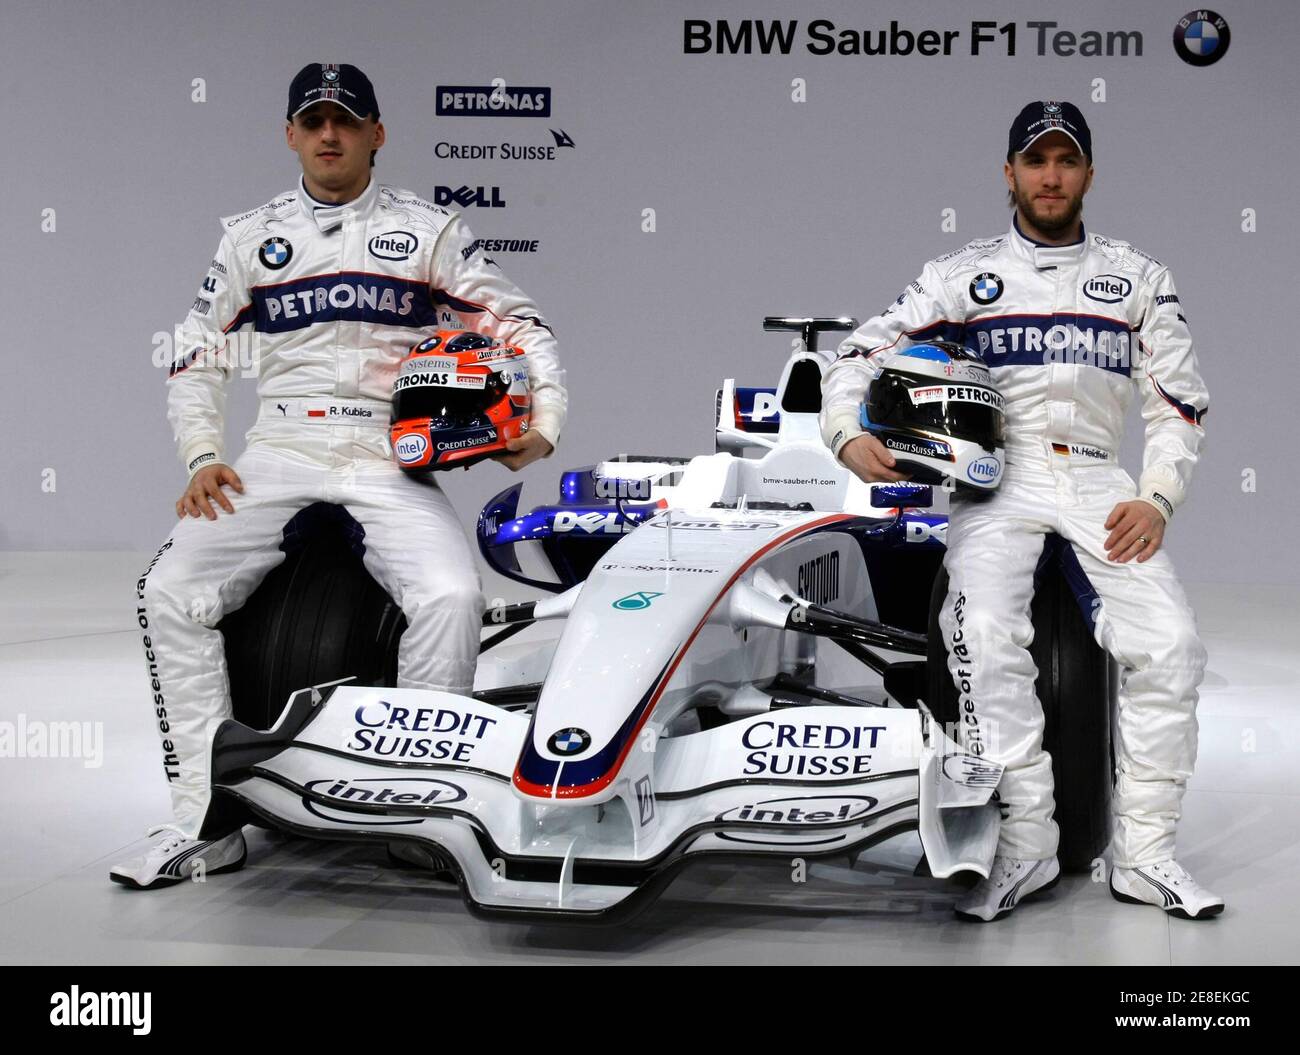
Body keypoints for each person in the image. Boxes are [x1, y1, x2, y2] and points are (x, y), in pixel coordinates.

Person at [113, 63, 567, 889]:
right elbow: (195, 352)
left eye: (347, 121)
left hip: (382, 452)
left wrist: (540, 424)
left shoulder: (430, 230)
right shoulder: (248, 237)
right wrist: (202, 455)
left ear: (376, 134)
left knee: (451, 597)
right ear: (290, 133)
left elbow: (519, 321)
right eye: (314, 120)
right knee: (167, 590)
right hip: (276, 449)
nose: (330, 134)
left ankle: (424, 810)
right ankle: (203, 818)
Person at [820, 101, 1221, 922]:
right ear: (1008, 173)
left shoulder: (1140, 277)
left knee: (1173, 646)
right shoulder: (961, 274)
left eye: (1065, 161)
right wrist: (844, 435)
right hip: (997, 480)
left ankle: (1144, 854)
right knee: (979, 635)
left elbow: (1179, 402)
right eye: (1035, 161)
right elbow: (859, 353)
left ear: (1088, 175)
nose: (1050, 176)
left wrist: (1158, 495)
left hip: (1103, 481)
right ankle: (1028, 841)